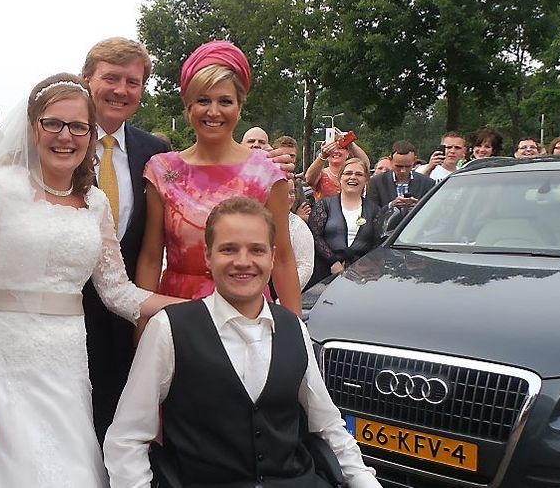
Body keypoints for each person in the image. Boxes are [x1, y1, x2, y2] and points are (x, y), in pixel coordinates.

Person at [0, 73, 182, 488]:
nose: (65, 136)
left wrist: (193, 306)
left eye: (78, 126)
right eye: (54, 123)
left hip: (64, 369)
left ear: (90, 133)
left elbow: (118, 292)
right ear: (34, 127)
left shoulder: (95, 202)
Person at [104, 197, 382, 488]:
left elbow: (327, 425)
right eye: (228, 249)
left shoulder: (293, 327)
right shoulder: (168, 329)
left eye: (256, 250)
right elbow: (128, 438)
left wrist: (364, 480)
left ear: (272, 258)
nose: (243, 261)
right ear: (208, 257)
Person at [137, 41, 301, 314]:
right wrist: (141, 324)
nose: (213, 111)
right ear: (188, 105)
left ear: (239, 107)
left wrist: (295, 333)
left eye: (225, 101)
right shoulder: (161, 170)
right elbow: (152, 257)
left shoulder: (267, 173)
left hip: (246, 311)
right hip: (178, 314)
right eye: (203, 100)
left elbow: (282, 257)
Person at [78, 37, 171, 442]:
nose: (121, 90)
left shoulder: (155, 153)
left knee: (122, 423)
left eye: (133, 82)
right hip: (64, 313)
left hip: (130, 311)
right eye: (111, 78)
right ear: (86, 79)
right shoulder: (57, 142)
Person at [309, 158, 382, 279]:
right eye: (348, 173)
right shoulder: (324, 205)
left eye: (359, 174)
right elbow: (315, 236)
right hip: (326, 272)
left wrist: (362, 265)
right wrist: (333, 261)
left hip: (362, 274)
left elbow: (376, 243)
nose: (353, 177)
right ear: (340, 177)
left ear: (366, 179)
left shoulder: (375, 210)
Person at [366, 141, 435, 213]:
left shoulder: (427, 183)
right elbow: (371, 214)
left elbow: (432, 212)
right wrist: (391, 205)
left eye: (408, 166)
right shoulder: (376, 182)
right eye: (399, 166)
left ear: (414, 160)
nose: (403, 170)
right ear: (391, 160)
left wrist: (418, 207)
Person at [304, 131, 372, 201]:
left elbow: (365, 165)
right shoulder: (320, 174)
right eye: (332, 148)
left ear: (348, 153)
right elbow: (309, 180)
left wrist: (350, 142)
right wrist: (322, 156)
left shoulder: (355, 175)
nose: (336, 151)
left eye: (340, 148)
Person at [286, 178, 315, 290]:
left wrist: (284, 295)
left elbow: (305, 267)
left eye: (292, 192)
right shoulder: (255, 220)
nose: (289, 197)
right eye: (283, 192)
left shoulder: (298, 226)